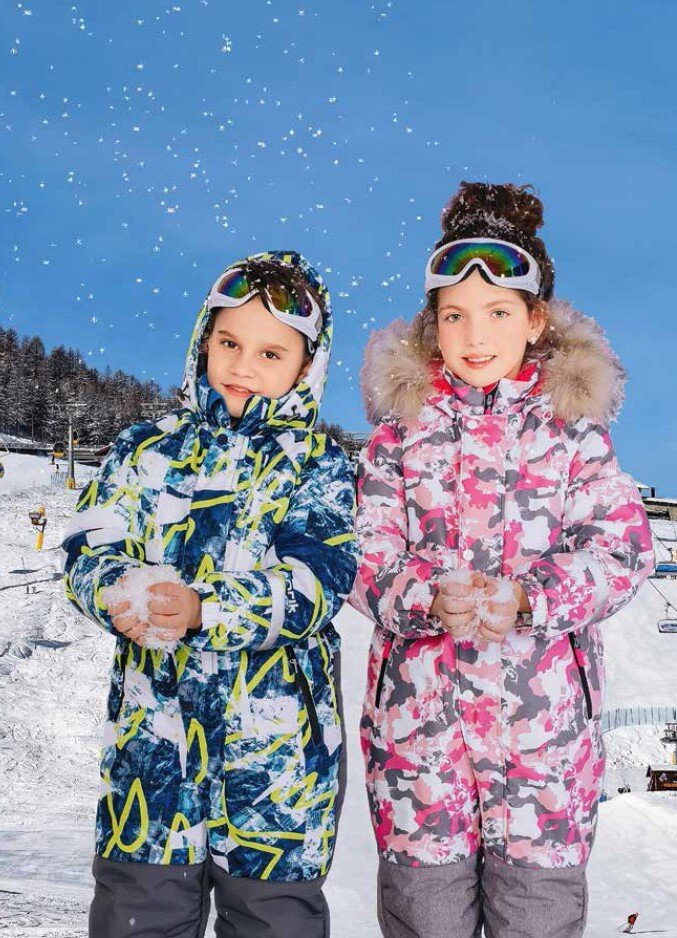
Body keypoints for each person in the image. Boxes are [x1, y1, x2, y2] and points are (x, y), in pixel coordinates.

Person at [350, 183, 654, 938]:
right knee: (425, 917)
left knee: (537, 919)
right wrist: (422, 596)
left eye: (496, 313)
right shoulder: (400, 434)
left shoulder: (572, 431)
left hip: (542, 751)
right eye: (454, 315)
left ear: (534, 319)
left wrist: (531, 598)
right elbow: (361, 552)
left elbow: (622, 547)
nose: (474, 335)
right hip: (419, 745)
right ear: (433, 322)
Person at [62, 251, 359, 938]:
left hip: (276, 767)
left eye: (269, 353)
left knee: (273, 921)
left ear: (305, 366)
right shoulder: (146, 449)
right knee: (138, 915)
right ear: (203, 340)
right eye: (228, 343)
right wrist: (119, 589)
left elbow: (318, 580)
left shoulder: (317, 465)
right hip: (152, 756)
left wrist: (208, 609)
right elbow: (88, 544)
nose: (242, 366)